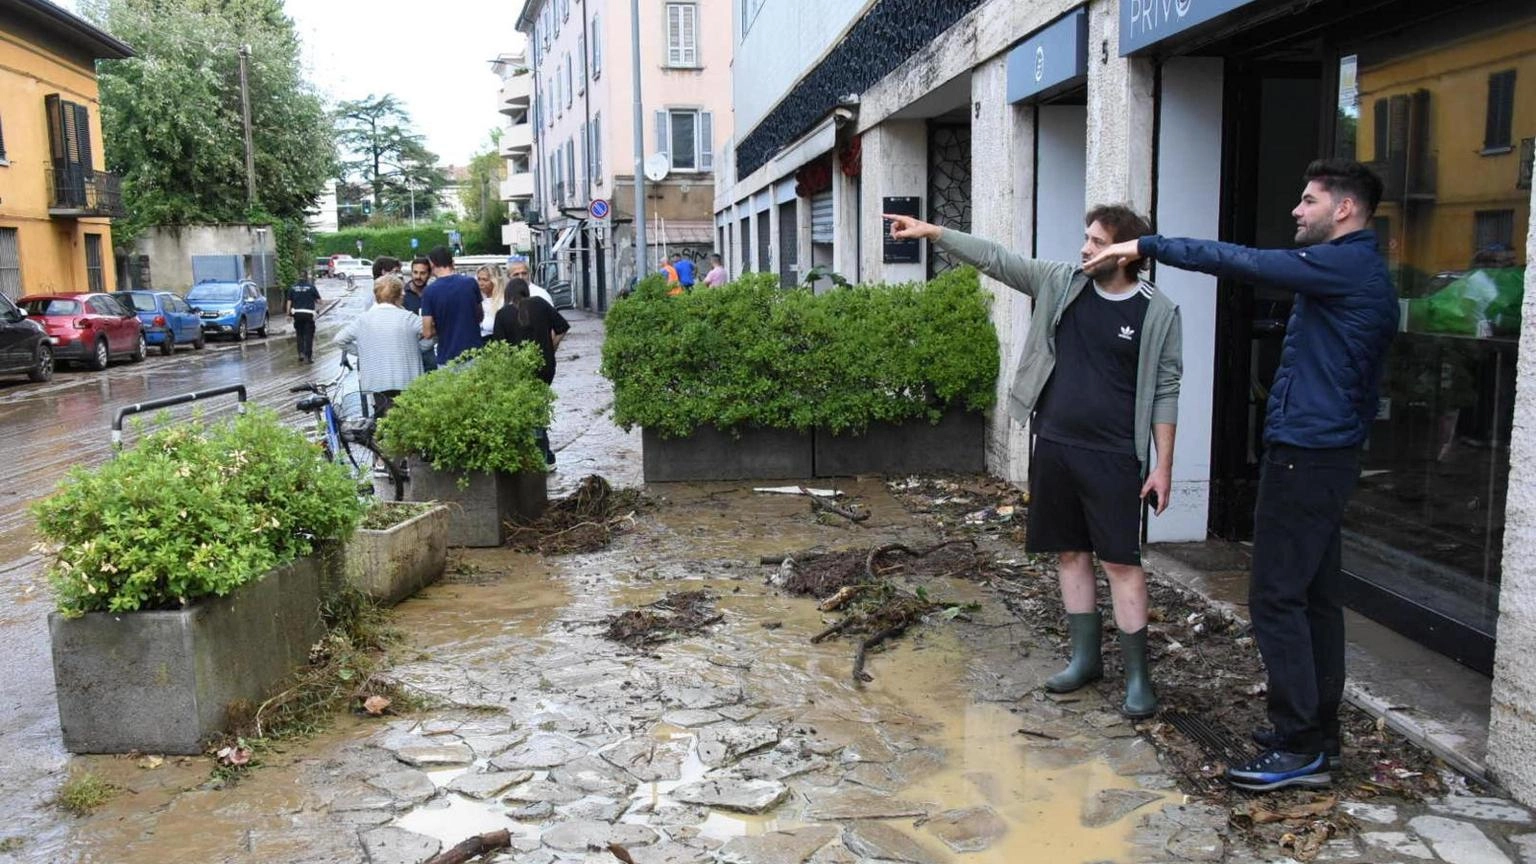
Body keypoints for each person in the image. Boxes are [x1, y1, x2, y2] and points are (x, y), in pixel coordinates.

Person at [1084, 158, 1396, 793]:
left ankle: (1300, 747)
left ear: (1344, 210)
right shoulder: (1351, 270)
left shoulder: (1345, 264)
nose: (1296, 210)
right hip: (1323, 451)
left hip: (1307, 454)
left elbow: (1246, 263)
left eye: (1308, 201)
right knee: (1314, 597)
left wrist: (1147, 244)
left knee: (1276, 597)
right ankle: (1316, 736)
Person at [886, 204, 1182, 722]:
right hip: (1056, 443)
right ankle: (1085, 659)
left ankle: (1138, 676)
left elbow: (1166, 389)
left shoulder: (1158, 312)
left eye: (1097, 241)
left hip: (1116, 455)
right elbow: (999, 259)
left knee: (1120, 563)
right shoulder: (1061, 283)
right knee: (1070, 553)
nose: (1086, 248)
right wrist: (933, 232)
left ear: (1126, 252)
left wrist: (1163, 466)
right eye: (1086, 237)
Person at [491, 277, 570, 468]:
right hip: (545, 368)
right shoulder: (540, 304)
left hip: (518, 371)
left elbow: (499, 349)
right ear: (526, 291)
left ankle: (538, 458)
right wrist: (551, 346)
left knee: (527, 413)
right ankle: (545, 456)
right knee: (539, 409)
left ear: (507, 294)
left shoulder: (503, 315)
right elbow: (562, 327)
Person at [332, 274, 426, 420]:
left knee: (383, 417)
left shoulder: (363, 320)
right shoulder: (408, 318)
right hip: (407, 378)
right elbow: (432, 333)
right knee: (408, 419)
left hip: (376, 380)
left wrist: (362, 352)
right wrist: (419, 348)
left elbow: (339, 340)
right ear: (399, 295)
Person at [419, 246, 483, 365]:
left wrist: (437, 327)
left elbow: (427, 332)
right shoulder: (470, 283)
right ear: (451, 262)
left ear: (432, 263)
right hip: (474, 353)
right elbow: (479, 316)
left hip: (447, 355)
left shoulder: (429, 292)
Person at [284, 277, 321, 363]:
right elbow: (319, 301)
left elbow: (289, 302)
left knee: (299, 334)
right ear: (306, 277)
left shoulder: (292, 288)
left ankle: (301, 353)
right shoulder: (311, 287)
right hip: (308, 314)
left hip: (297, 314)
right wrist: (317, 310)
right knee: (308, 335)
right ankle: (308, 357)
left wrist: (288, 314)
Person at [475, 265, 505, 339]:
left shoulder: (503, 302)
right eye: (479, 279)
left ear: (495, 281)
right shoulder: (477, 301)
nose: (480, 283)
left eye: (485, 280)